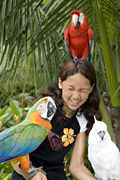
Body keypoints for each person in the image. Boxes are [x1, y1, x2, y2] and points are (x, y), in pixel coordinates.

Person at [11, 58, 102, 180]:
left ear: (91, 89)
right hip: (27, 171)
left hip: (55, 173)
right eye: (71, 88)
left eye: (83, 90)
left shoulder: (82, 117)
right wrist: (32, 174)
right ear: (60, 83)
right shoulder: (45, 108)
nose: (76, 96)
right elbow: (16, 155)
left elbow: (76, 166)